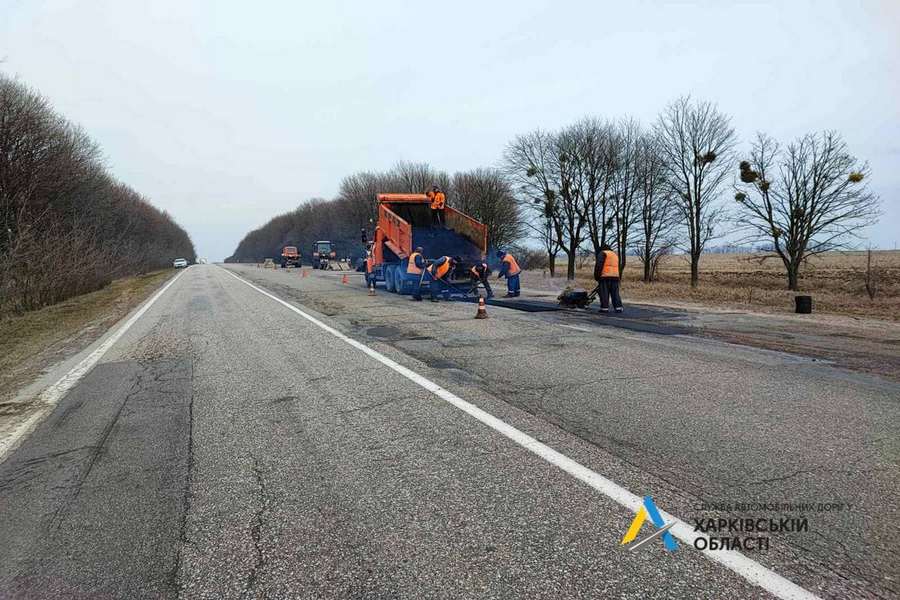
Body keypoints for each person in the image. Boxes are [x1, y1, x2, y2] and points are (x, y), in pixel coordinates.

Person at [594, 243, 623, 313]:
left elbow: (599, 266)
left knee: (604, 292)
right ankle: (618, 307)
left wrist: (597, 276)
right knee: (615, 293)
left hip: (605, 276)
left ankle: (604, 308)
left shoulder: (603, 253)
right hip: (615, 276)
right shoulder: (614, 254)